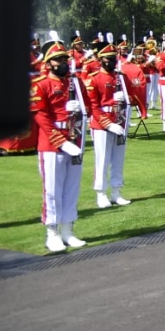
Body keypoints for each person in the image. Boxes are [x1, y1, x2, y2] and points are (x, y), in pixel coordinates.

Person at [31, 41, 89, 251]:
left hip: (75, 137)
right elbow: (41, 116)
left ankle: (68, 229)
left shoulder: (75, 83)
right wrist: (61, 141)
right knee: (53, 190)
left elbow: (88, 106)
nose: (63, 62)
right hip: (52, 142)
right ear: (49, 63)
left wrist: (80, 108)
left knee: (72, 188)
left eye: (65, 58)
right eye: (59, 59)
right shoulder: (41, 83)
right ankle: (52, 232)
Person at [85, 44, 128, 208]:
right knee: (102, 160)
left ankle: (116, 192)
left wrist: (124, 97)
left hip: (119, 120)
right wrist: (108, 124)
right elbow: (93, 106)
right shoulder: (94, 78)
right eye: (107, 59)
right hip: (101, 123)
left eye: (113, 59)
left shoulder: (120, 77)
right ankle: (101, 193)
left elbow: (130, 97)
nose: (111, 62)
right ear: (100, 59)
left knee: (118, 159)